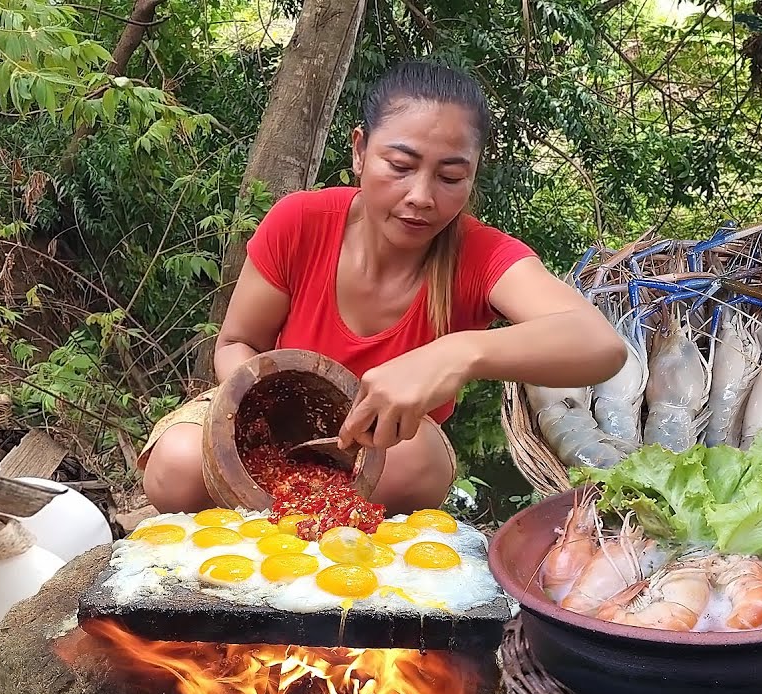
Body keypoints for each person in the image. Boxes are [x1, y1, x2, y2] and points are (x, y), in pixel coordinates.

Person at [138, 59, 626, 515]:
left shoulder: (482, 255)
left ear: (472, 177)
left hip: (387, 447)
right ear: (359, 150)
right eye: (399, 165)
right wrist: (265, 410)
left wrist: (457, 354)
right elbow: (235, 341)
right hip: (267, 411)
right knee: (177, 466)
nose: (421, 197)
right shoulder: (301, 221)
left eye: (450, 176)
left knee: (413, 461)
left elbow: (600, 345)